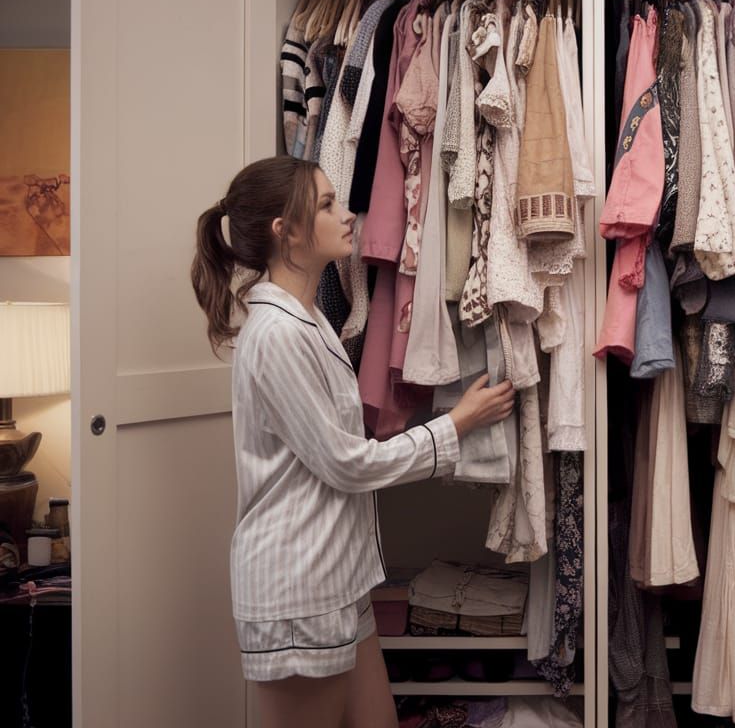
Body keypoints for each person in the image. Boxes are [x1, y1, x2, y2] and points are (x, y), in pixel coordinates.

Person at [190, 156, 514, 728]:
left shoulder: (309, 322)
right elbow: (345, 463)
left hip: (338, 580)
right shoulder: (277, 336)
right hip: (297, 590)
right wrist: (455, 424)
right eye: (326, 205)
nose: (347, 215)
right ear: (284, 230)